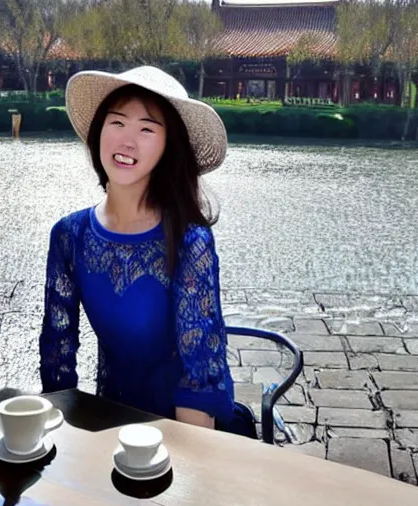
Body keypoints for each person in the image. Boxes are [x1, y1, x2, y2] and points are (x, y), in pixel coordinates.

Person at [38, 66, 256, 438]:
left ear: (167, 146)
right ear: (98, 133)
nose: (127, 141)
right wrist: (59, 441)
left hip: (185, 429)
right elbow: (58, 353)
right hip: (109, 420)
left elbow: (199, 379)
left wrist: (183, 471)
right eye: (118, 123)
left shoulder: (189, 240)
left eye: (147, 129)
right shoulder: (69, 235)